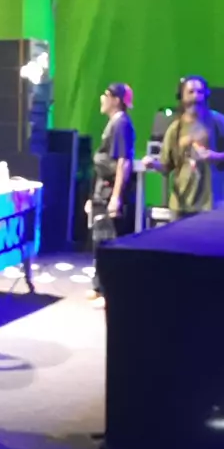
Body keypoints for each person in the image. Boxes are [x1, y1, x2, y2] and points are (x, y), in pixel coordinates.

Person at [143, 76, 224, 217]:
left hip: (210, 205)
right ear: (182, 96)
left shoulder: (218, 121)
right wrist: (152, 164)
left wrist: (215, 156)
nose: (196, 96)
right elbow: (166, 166)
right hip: (181, 206)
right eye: (191, 92)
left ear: (206, 95)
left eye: (200, 92)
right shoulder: (175, 128)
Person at [85, 83, 135, 306]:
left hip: (110, 191)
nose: (102, 98)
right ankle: (99, 287)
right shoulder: (113, 123)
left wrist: (116, 197)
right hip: (102, 190)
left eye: (106, 95)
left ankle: (110, 293)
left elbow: (123, 162)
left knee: (110, 241)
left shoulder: (121, 123)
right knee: (100, 239)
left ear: (116, 100)